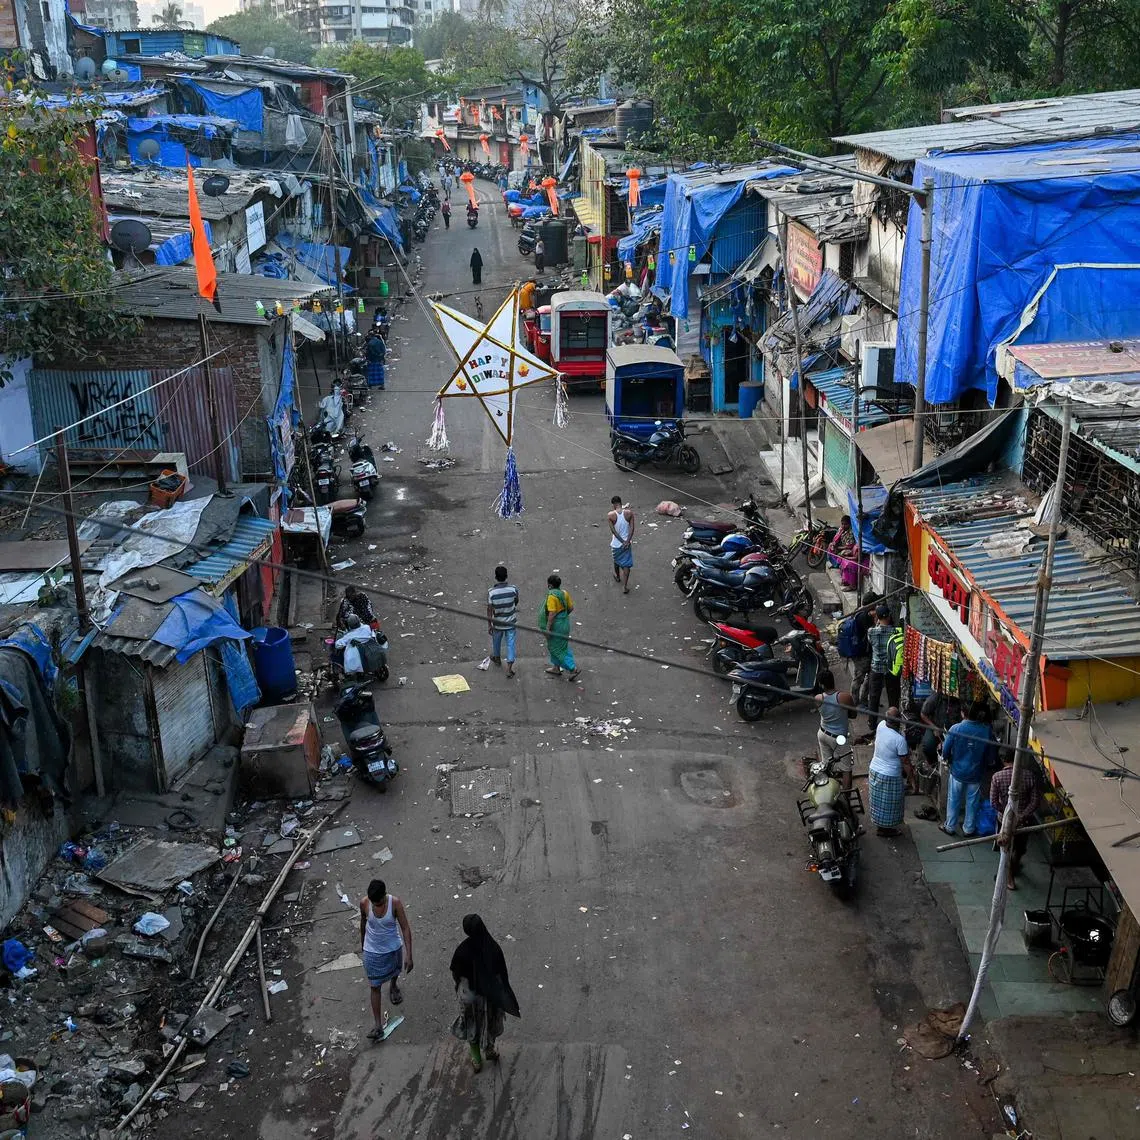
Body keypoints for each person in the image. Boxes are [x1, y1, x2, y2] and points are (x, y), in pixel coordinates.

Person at [449, 914, 520, 1072]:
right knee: (489, 1023)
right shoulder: (492, 948)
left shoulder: (462, 951)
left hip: (470, 998)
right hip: (489, 998)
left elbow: (456, 973)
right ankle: (489, 1050)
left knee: (471, 1025)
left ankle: (476, 1059)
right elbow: (500, 975)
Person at [359, 879, 413, 1041]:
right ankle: (377, 1025)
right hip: (372, 951)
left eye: (379, 901)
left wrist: (409, 954)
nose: (376, 905)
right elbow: (363, 923)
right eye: (374, 902)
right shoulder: (364, 903)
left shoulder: (395, 903)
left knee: (395, 971)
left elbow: (405, 927)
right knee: (374, 986)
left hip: (392, 948)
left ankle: (393, 986)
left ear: (385, 895)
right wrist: (363, 943)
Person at [941, 701, 997, 838]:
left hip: (957, 772)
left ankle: (950, 826)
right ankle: (969, 829)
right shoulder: (986, 730)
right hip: (976, 773)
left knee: (953, 799)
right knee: (972, 802)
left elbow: (945, 751)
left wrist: (946, 758)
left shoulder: (955, 728)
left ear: (963, 713)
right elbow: (991, 754)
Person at [989, 746, 1041, 889]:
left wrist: (1008, 813)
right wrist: (1022, 815)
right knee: (1019, 848)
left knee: (1006, 849)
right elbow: (1035, 801)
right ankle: (1014, 866)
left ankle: (1009, 878)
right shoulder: (1030, 776)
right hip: (1024, 822)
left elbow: (994, 802)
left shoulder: (997, 777)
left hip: (1004, 821)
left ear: (1002, 760)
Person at [868, 707, 914, 836]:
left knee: (878, 803)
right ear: (898, 721)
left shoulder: (881, 725)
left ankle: (880, 826)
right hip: (890, 775)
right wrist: (912, 781)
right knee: (891, 805)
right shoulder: (899, 740)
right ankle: (886, 830)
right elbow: (906, 763)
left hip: (875, 770)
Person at [813, 670, 856, 790]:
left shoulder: (818, 698)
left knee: (826, 766)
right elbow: (853, 715)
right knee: (846, 769)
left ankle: (827, 793)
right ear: (833, 680)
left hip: (822, 734)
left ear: (821, 684)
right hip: (839, 738)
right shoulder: (844, 697)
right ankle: (846, 798)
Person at [865, 604, 903, 732]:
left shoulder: (871, 632)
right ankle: (893, 722)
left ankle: (872, 723)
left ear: (877, 617)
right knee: (893, 696)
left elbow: (871, 642)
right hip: (891, 668)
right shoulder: (895, 631)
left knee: (874, 696)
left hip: (876, 668)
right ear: (889, 615)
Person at [835, 598, 877, 704]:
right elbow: (871, 634)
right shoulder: (864, 617)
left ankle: (860, 699)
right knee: (860, 678)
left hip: (858, 651)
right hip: (861, 653)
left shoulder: (858, 611)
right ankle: (855, 700)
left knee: (863, 677)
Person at [539, 573, 579, 680]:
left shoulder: (552, 597)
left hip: (556, 626)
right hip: (565, 623)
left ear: (550, 586)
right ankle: (556, 668)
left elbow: (551, 614)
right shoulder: (564, 593)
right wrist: (563, 617)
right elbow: (570, 608)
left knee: (556, 648)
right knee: (560, 646)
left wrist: (547, 628)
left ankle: (572, 669)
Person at [486, 565, 519, 678]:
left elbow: (489, 610)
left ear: (496, 577)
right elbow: (516, 601)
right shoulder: (513, 589)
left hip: (497, 623)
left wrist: (489, 624)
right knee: (510, 644)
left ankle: (497, 658)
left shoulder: (491, 593)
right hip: (511, 622)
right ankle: (509, 668)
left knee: (496, 641)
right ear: (506, 576)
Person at [919, 691, 961, 773]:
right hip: (935, 727)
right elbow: (923, 714)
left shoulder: (959, 701)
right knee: (928, 745)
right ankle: (932, 762)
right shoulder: (935, 697)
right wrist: (934, 727)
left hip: (952, 731)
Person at [827, 514, 864, 591]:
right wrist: (835, 545)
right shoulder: (841, 530)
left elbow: (854, 553)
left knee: (847, 562)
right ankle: (836, 565)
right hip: (844, 548)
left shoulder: (853, 534)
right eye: (842, 524)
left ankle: (851, 585)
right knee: (831, 547)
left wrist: (845, 556)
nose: (843, 526)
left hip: (849, 551)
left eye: (845, 524)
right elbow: (836, 539)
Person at [608, 495, 635, 593]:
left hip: (616, 544)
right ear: (620, 502)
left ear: (613, 504)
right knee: (626, 564)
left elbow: (614, 532)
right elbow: (632, 528)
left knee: (616, 560)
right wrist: (627, 541)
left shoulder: (611, 515)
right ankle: (624, 586)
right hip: (627, 545)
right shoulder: (629, 513)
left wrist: (622, 542)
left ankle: (618, 576)